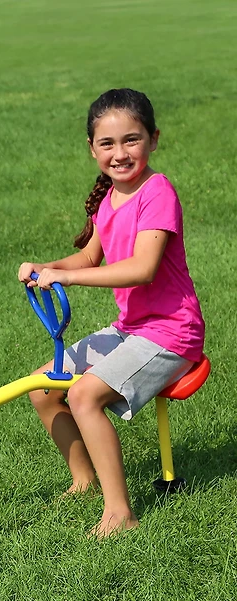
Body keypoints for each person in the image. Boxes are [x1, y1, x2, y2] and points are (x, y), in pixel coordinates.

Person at [17, 88, 205, 538]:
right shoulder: (108, 200)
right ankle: (83, 481)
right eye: (107, 144)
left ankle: (120, 512)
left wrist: (67, 279)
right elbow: (86, 259)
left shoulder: (156, 193)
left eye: (131, 140)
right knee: (43, 389)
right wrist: (45, 268)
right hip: (132, 328)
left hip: (171, 333)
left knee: (83, 395)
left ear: (153, 140)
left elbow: (142, 269)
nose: (120, 153)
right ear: (91, 148)